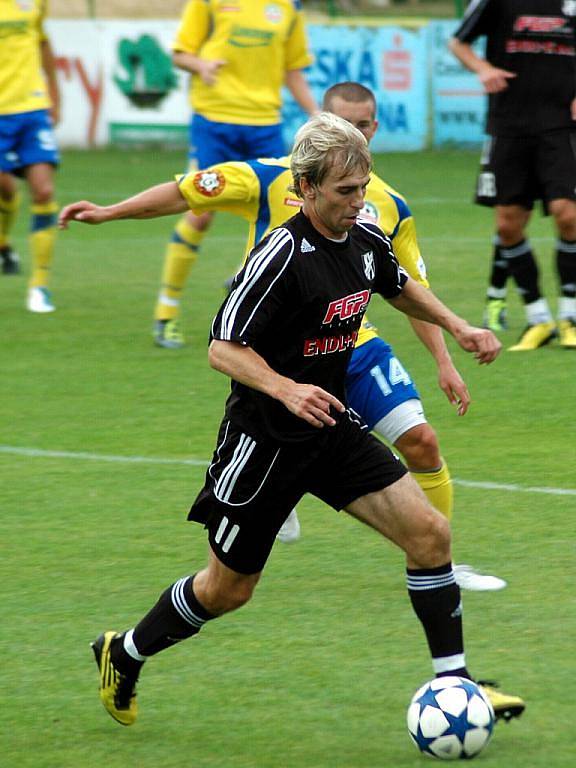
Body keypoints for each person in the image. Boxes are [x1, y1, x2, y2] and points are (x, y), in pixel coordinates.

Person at [60, 113, 524, 727]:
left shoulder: (364, 236)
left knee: (430, 535)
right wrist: (285, 389)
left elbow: (397, 282)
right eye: (344, 192)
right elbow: (221, 347)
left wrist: (458, 326)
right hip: (264, 442)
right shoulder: (280, 255)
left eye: (363, 188)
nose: (358, 203)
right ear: (304, 188)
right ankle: (124, 652)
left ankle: (457, 685)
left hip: (330, 429)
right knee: (228, 590)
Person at [153, 0, 318, 349]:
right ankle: (166, 314)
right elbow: (180, 53)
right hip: (215, 121)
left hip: (264, 126)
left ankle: (252, 287)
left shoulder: (288, 8)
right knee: (200, 215)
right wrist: (201, 65)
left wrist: (317, 114)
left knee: (284, 213)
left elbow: (292, 69)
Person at [449, 0, 576, 350]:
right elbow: (458, 41)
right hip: (509, 126)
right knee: (507, 225)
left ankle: (571, 317)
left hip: (562, 127)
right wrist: (483, 69)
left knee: (569, 215)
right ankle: (538, 318)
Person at [0, 0, 61, 311]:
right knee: (6, 188)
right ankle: (4, 245)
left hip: (31, 108)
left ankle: (40, 285)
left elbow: (42, 41)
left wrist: (54, 91)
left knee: (43, 190)